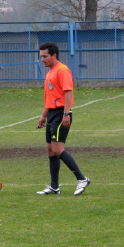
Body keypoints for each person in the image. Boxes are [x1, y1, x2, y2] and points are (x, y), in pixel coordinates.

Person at [36, 42, 90, 196]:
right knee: (51, 151)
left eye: (45, 56)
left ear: (54, 55)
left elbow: (68, 92)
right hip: (52, 114)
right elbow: (51, 96)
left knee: (58, 149)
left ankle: (82, 178)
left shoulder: (62, 70)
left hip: (61, 114)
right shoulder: (50, 72)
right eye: (41, 56)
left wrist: (66, 114)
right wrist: (43, 116)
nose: (42, 59)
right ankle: (54, 186)